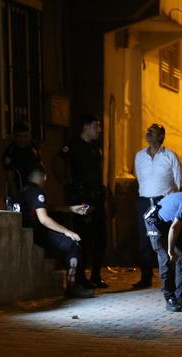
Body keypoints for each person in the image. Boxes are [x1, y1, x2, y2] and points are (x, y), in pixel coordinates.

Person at [18, 167, 93, 299]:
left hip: (26, 232)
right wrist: (67, 232)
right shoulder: (37, 192)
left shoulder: (23, 191)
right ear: (44, 178)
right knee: (73, 245)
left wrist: (71, 209)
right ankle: (72, 286)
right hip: (37, 233)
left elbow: (47, 208)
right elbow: (44, 219)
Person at [133, 123, 182, 290]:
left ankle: (170, 279)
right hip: (144, 201)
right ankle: (145, 278)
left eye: (152, 132)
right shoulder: (140, 156)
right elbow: (139, 178)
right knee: (144, 241)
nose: (148, 133)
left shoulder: (170, 156)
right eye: (148, 131)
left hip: (164, 202)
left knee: (166, 240)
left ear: (161, 136)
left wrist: (172, 203)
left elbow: (177, 182)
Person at [61, 115, 108, 289]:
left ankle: (96, 275)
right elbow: (58, 164)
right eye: (96, 126)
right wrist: (69, 189)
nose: (99, 130)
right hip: (82, 199)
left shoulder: (95, 148)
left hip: (96, 197)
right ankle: (80, 277)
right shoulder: (73, 146)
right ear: (86, 126)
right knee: (84, 239)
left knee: (101, 239)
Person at [2, 121, 43, 211]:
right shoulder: (11, 152)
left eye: (25, 136)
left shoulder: (33, 148)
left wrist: (39, 190)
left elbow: (41, 168)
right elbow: (10, 178)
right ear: (14, 136)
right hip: (18, 194)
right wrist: (17, 197)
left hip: (34, 192)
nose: (23, 139)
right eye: (20, 136)